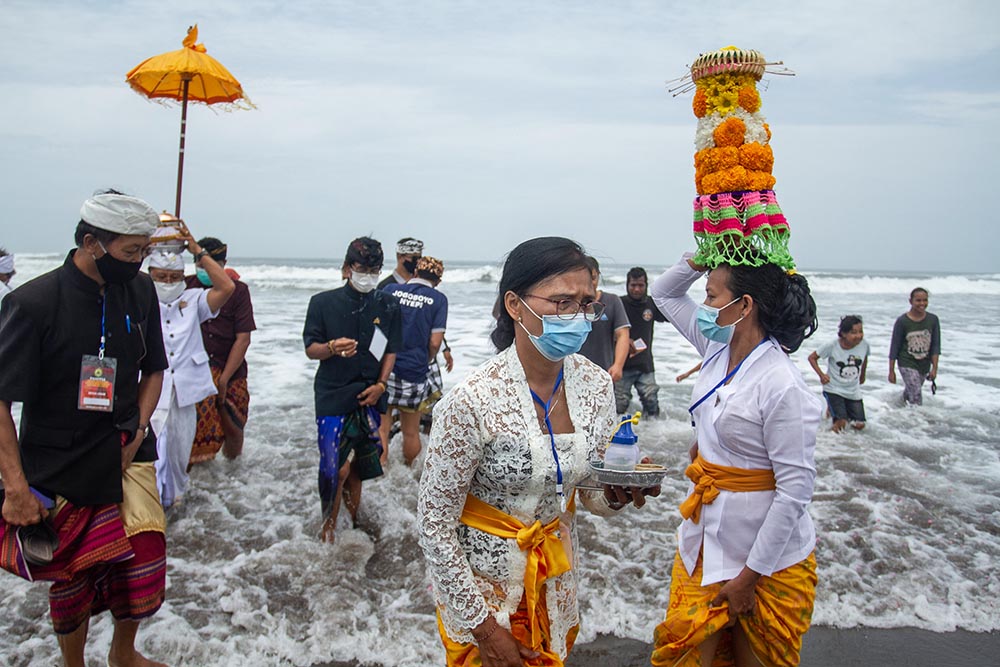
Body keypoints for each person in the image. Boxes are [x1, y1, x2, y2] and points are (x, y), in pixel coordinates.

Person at [418, 237, 659, 667]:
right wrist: (485, 630)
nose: (578, 317)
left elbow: (589, 493)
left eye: (586, 304)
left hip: (555, 588)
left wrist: (621, 491)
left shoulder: (596, 386)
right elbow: (434, 524)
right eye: (563, 303)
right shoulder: (471, 401)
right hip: (485, 602)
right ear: (514, 305)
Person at [0, 191, 169, 667]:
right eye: (131, 251)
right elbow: (1, 400)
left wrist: (137, 432)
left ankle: (123, 653)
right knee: (73, 578)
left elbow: (155, 370)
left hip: (127, 448)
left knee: (144, 559)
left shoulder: (140, 290)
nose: (140, 261)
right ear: (92, 243)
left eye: (145, 250)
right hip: (61, 463)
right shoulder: (32, 304)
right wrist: (15, 488)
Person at [649, 252, 822, 667]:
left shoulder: (782, 384)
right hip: (704, 544)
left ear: (744, 305)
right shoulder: (715, 346)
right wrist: (704, 255)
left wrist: (749, 577)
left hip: (769, 562)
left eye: (712, 296)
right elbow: (663, 293)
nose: (705, 306)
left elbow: (795, 492)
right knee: (681, 656)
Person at [303, 237, 402, 543]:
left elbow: (391, 350)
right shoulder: (322, 303)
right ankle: (328, 528)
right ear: (347, 268)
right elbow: (311, 349)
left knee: (358, 467)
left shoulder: (388, 304)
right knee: (335, 469)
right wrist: (332, 347)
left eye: (374, 270)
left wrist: (381, 385)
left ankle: (354, 522)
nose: (368, 276)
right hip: (333, 394)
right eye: (362, 269)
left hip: (370, 394)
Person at [147, 227, 234, 507]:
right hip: (151, 390)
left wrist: (198, 251)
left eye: (174, 277)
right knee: (153, 452)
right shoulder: (140, 299)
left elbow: (226, 287)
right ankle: (152, 507)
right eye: (161, 277)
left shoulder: (195, 299)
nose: (168, 282)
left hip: (184, 390)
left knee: (178, 452)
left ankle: (173, 502)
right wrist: (146, 248)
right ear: (150, 275)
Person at [185, 236, 257, 463]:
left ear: (223, 264)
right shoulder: (186, 287)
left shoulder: (239, 291)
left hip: (231, 369)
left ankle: (233, 472)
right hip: (194, 370)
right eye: (201, 264)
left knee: (233, 426)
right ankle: (199, 473)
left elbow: (243, 339)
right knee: (193, 428)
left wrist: (224, 379)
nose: (205, 269)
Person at [379, 256, 448, 466]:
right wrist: (426, 360)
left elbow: (376, 327)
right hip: (414, 371)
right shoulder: (438, 300)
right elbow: (435, 342)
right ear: (438, 281)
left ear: (415, 273)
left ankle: (380, 474)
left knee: (382, 428)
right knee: (410, 432)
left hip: (384, 370)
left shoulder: (390, 290)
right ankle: (410, 472)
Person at [616, 267, 668, 416]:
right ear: (627, 285)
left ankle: (652, 431)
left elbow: (673, 317)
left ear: (646, 285)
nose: (637, 289)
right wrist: (621, 339)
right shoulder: (619, 304)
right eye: (633, 285)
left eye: (641, 285)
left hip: (645, 364)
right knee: (619, 404)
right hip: (622, 365)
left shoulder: (651, 304)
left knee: (651, 402)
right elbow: (604, 328)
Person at [808, 315, 869, 432]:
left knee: (859, 425)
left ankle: (834, 417)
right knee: (841, 423)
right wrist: (822, 375)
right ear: (843, 333)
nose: (859, 336)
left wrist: (863, 375)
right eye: (854, 332)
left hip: (853, 390)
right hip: (833, 388)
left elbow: (864, 358)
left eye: (861, 331)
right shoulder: (832, 345)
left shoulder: (864, 345)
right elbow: (812, 358)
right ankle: (827, 438)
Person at [577, 257, 631, 385]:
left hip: (603, 373)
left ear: (598, 276)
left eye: (593, 278)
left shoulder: (612, 301)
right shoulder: (570, 303)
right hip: (574, 371)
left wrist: (618, 365)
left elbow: (622, 334)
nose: (590, 283)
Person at [888, 288, 941, 405]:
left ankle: (897, 407)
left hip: (924, 364)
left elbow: (935, 346)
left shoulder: (933, 320)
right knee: (916, 394)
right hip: (906, 362)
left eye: (925, 300)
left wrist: (934, 368)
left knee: (911, 392)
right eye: (918, 300)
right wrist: (891, 370)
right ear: (910, 301)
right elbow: (894, 346)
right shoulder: (902, 321)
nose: (922, 303)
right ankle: (917, 416)